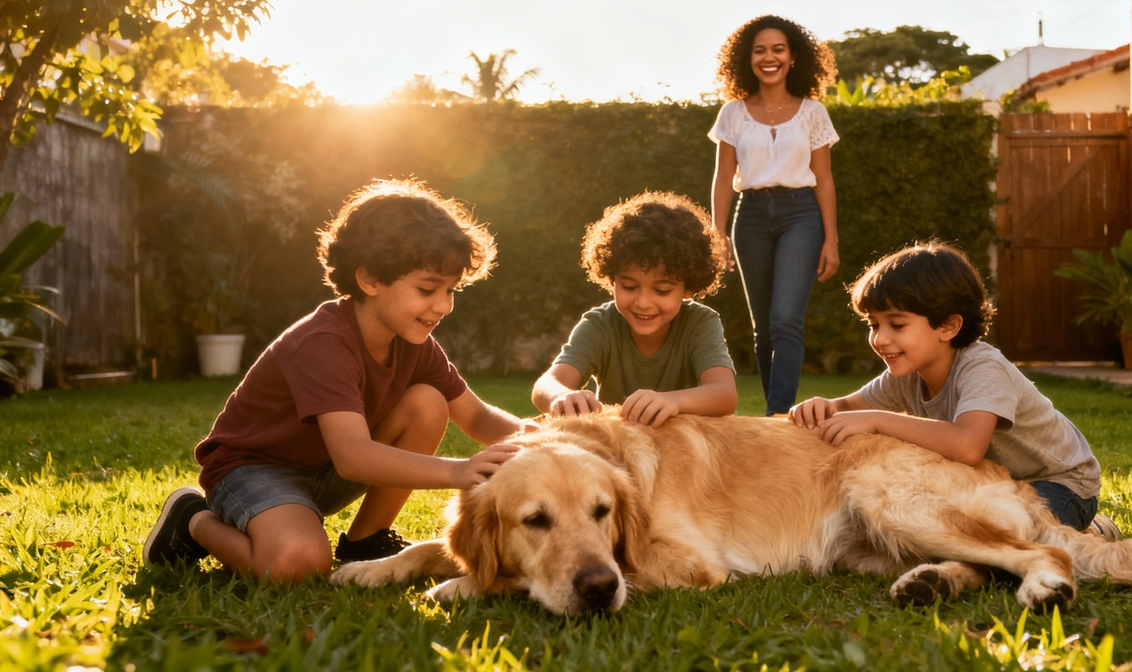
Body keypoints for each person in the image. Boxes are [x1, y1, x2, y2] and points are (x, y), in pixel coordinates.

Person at [142, 179, 530, 583]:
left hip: (323, 470)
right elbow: (353, 455)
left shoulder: (413, 342)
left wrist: (544, 437)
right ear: (370, 280)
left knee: (427, 401)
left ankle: (367, 540)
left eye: (451, 290)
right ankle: (192, 519)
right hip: (252, 471)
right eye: (427, 289)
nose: (443, 305)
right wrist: (457, 471)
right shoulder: (323, 341)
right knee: (298, 564)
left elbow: (477, 417)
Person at [788, 240, 1121, 540]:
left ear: (948, 326)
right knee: (941, 529)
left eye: (897, 325)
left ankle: (1092, 529)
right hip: (993, 485)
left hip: (1060, 484)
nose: (880, 338)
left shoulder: (983, 367)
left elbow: (967, 446)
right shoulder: (906, 374)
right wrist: (822, 406)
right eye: (873, 325)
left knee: (1005, 540)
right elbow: (847, 407)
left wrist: (878, 420)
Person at [709, 14, 841, 416]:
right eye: (760, 50)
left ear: (793, 56)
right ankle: (775, 410)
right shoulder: (732, 113)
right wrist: (717, 232)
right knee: (763, 327)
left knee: (786, 318)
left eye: (778, 49)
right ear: (746, 59)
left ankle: (778, 414)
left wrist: (831, 240)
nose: (770, 57)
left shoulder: (813, 112)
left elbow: (824, 179)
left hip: (801, 215)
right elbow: (722, 178)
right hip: (749, 217)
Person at [531, 190, 737, 427]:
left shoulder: (700, 322)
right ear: (612, 280)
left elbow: (724, 394)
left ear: (688, 289)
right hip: (623, 451)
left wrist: (672, 401)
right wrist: (560, 396)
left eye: (662, 291)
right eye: (629, 286)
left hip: (691, 451)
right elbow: (546, 384)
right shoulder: (600, 325)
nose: (643, 302)